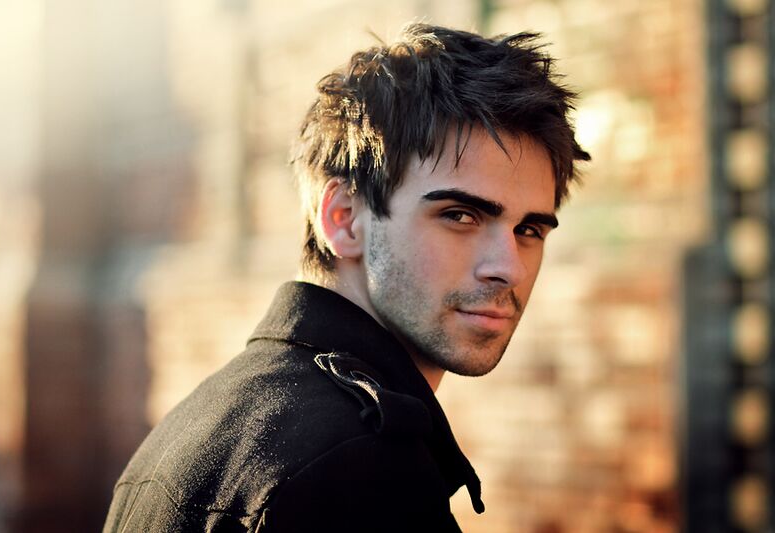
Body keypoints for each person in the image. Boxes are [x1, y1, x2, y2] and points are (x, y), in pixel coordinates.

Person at [103, 23, 589, 532]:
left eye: (529, 229)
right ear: (344, 218)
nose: (509, 267)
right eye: (460, 216)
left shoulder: (193, 426)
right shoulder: (359, 468)